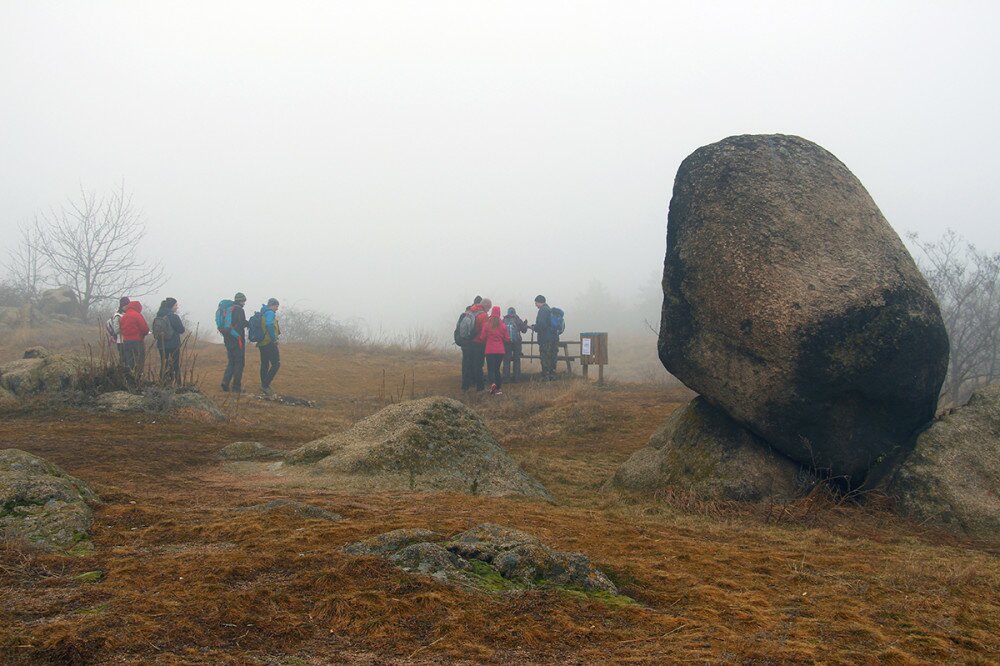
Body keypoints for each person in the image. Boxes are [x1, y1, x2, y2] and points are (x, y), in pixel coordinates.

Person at [476, 305, 511, 395]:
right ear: (499, 314)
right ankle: (499, 388)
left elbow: (482, 337)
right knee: (497, 369)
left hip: (490, 350)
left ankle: (493, 385)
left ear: (492, 313)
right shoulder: (503, 326)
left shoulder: (487, 325)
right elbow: (507, 339)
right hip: (500, 351)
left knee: (491, 369)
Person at [221, 292, 249, 393]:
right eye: (244, 301)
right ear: (241, 301)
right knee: (239, 363)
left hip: (228, 339)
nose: (244, 303)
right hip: (237, 340)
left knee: (231, 361)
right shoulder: (239, 310)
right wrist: (248, 323)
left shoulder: (228, 309)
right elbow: (241, 324)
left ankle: (225, 381)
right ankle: (236, 387)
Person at [154, 297, 185, 386]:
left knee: (164, 364)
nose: (177, 307)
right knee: (175, 364)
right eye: (176, 305)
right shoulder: (174, 317)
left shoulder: (158, 316)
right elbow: (181, 330)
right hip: (173, 344)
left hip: (161, 344)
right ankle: (177, 384)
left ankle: (163, 383)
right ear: (171, 306)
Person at [119, 300, 149, 381]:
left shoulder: (124, 316)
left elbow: (121, 329)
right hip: (137, 341)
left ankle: (129, 379)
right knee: (139, 361)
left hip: (126, 342)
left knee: (129, 361)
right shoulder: (137, 315)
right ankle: (138, 378)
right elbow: (145, 329)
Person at [529, 294, 558, 380]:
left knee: (545, 357)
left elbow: (542, 325)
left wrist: (534, 327)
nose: (535, 305)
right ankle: (552, 375)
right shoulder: (549, 310)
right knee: (552, 356)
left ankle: (546, 376)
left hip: (545, 338)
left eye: (536, 303)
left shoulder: (542, 310)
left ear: (539, 302)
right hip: (554, 337)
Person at [459, 301, 486, 391]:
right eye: (488, 307)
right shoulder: (483, 315)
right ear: (485, 306)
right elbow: (484, 330)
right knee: (478, 366)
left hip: (468, 342)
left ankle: (465, 387)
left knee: (467, 364)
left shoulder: (469, 312)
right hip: (479, 343)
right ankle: (480, 388)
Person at [257, 297, 281, 395]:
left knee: (265, 364)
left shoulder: (263, 312)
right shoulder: (270, 313)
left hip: (262, 343)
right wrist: (274, 339)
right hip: (269, 342)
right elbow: (270, 325)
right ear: (272, 305)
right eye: (276, 306)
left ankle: (263, 384)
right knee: (276, 364)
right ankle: (265, 385)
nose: (277, 308)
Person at [502, 307, 528, 382]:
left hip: (506, 342)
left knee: (506, 360)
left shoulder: (504, 320)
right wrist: (525, 324)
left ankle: (506, 378)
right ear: (514, 312)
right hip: (517, 343)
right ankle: (517, 378)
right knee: (517, 359)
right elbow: (524, 330)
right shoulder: (517, 319)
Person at [106, 296, 130, 365]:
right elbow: (116, 330)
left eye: (128, 305)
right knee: (123, 359)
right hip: (121, 341)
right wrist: (127, 329)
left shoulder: (127, 314)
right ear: (122, 305)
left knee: (127, 359)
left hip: (127, 340)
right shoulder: (118, 315)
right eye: (125, 305)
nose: (127, 306)